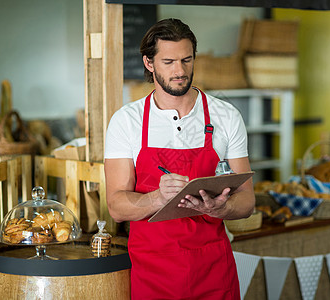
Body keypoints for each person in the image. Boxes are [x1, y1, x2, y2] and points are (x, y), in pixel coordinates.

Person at [104, 18, 255, 300]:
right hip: (153, 271)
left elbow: (247, 200)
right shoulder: (127, 121)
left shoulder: (226, 117)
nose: (180, 71)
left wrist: (221, 208)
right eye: (169, 62)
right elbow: (116, 206)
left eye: (187, 60)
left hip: (213, 268)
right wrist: (158, 198)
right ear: (149, 63)